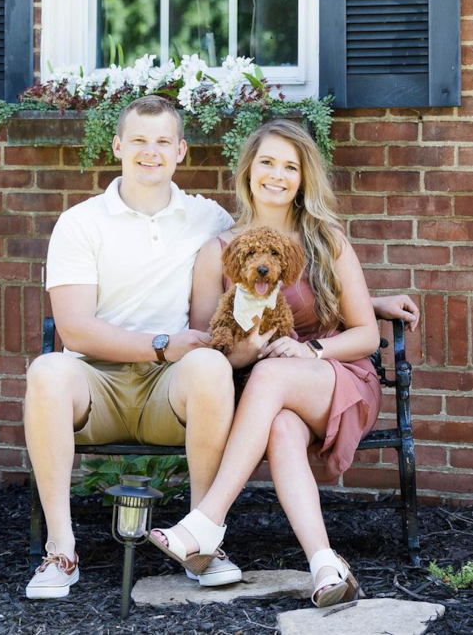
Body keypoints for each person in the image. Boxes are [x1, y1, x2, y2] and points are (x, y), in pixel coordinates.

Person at [148, 118, 420, 607]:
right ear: (248, 171)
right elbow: (210, 348)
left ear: (303, 178)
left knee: (273, 374)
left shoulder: (325, 240)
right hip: (264, 390)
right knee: (280, 427)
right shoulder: (217, 252)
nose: (277, 174)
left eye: (290, 167)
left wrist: (310, 350)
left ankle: (207, 522)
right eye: (268, 162)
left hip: (335, 375)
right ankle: (325, 565)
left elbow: (363, 335)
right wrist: (249, 350)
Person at [24, 94, 239, 599]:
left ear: (181, 150)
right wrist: (161, 344)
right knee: (47, 371)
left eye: (163, 141)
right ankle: (60, 550)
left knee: (211, 365)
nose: (150, 152)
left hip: (169, 389)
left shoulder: (208, 218)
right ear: (118, 145)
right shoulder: (81, 222)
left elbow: (272, 266)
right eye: (139, 140)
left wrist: (364, 301)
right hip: (95, 384)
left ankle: (202, 541)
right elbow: (75, 329)